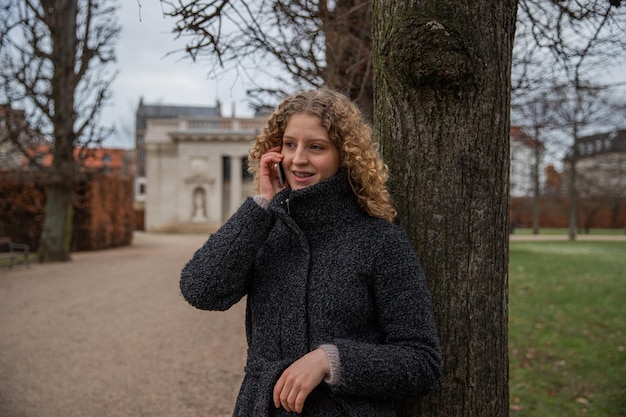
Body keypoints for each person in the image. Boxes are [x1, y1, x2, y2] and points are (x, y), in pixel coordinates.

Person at [180, 88, 442, 417]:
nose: (297, 159)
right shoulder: (263, 229)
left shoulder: (380, 240)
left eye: (315, 147)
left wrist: (331, 360)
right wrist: (261, 205)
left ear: (344, 155)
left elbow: (422, 361)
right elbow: (201, 290)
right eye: (290, 144)